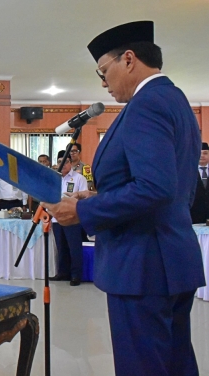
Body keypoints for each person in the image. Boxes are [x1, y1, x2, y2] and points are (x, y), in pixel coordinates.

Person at [42, 21, 205, 376]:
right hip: (170, 257)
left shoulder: (146, 104)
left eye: (104, 71)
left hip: (142, 263)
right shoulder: (175, 100)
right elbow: (170, 185)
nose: (103, 83)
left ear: (128, 59)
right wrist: (101, 195)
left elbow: (155, 188)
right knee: (175, 363)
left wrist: (84, 208)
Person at [48, 154, 88, 286]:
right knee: (61, 247)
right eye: (60, 161)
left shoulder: (79, 178)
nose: (62, 164)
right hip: (56, 218)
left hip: (73, 218)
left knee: (74, 247)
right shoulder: (55, 179)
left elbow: (85, 197)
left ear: (70, 163)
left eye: (65, 162)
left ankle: (76, 275)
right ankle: (63, 273)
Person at [190, 142, 209, 224]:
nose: (202, 156)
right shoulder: (189, 172)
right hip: (194, 216)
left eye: (205, 153)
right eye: (199, 153)